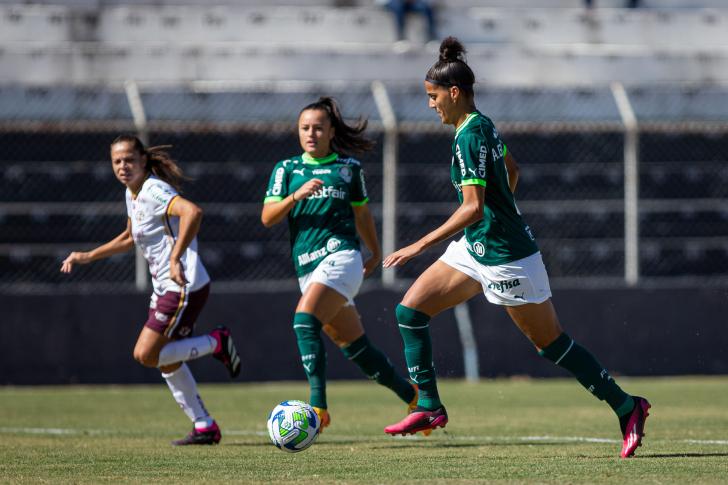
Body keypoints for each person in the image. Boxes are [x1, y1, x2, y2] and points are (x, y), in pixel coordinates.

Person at [381, 37, 650, 459]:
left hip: (507, 256)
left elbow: (472, 207)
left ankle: (627, 405)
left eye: (433, 97)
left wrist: (419, 244)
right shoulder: (482, 125)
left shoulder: (469, 136)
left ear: (454, 93)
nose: (430, 105)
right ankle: (429, 405)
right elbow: (511, 169)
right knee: (409, 312)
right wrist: (503, 213)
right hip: (477, 248)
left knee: (551, 345)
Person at [60, 135, 241, 446]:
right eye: (117, 161)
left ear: (143, 160)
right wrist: (87, 256)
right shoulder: (132, 193)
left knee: (146, 354)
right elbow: (130, 236)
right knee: (167, 359)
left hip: (183, 285)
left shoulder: (154, 189)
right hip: (166, 287)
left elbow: (192, 212)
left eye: (129, 159)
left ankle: (216, 342)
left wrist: (175, 257)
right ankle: (204, 425)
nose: (122, 166)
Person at [261, 97, 419, 432]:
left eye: (318, 127)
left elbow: (362, 213)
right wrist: (296, 195)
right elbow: (268, 217)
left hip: (342, 257)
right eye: (305, 127)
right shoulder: (287, 170)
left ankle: (318, 408)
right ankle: (414, 396)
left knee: (304, 321)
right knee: (357, 349)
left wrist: (374, 252)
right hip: (307, 266)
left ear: (332, 131)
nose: (311, 133)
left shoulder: (347, 169)